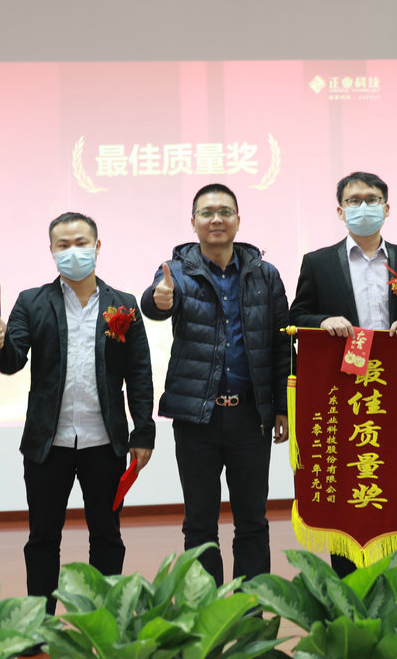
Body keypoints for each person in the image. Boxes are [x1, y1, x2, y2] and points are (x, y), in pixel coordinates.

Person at [0, 212, 154, 614]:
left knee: (107, 535)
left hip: (105, 442)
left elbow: (139, 373)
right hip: (48, 443)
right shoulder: (32, 301)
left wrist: (143, 432)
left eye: (81, 243)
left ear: (97, 247)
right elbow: (13, 361)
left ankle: (105, 619)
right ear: (51, 251)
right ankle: (39, 623)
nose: (73, 251)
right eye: (63, 245)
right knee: (43, 538)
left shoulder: (123, 304)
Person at [141, 183, 289, 587]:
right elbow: (153, 302)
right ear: (193, 222)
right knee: (200, 523)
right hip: (197, 417)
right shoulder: (176, 271)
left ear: (238, 220)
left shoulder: (265, 275)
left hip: (250, 416)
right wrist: (159, 300)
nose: (216, 219)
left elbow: (281, 344)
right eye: (207, 213)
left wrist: (282, 407)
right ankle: (206, 608)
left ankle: (251, 608)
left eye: (225, 211)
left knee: (253, 521)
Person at [289, 171, 397, 576]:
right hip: (344, 392)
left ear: (387, 208)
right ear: (340, 211)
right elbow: (296, 316)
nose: (363, 207)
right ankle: (349, 581)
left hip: (395, 392)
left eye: (372, 199)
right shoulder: (318, 262)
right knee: (350, 483)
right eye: (353, 201)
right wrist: (322, 321)